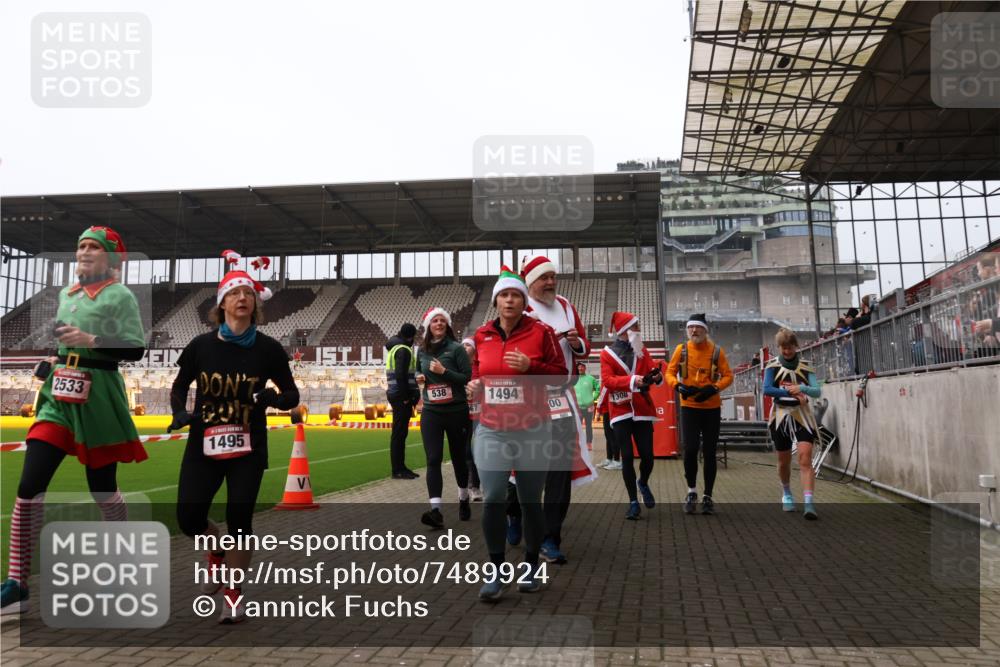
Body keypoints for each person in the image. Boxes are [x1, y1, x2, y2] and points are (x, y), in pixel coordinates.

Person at [1, 226, 146, 615]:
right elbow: (67, 345)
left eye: (93, 247)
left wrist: (92, 341)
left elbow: (135, 350)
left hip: (98, 397)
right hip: (58, 399)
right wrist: (53, 361)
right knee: (29, 485)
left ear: (112, 259)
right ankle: (17, 583)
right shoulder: (66, 295)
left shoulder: (120, 296)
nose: (83, 252)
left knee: (102, 487)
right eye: (80, 245)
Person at [169, 263, 300, 624]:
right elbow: (180, 386)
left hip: (248, 446)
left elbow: (291, 394)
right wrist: (180, 411)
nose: (242, 298)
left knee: (239, 519)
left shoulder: (269, 349)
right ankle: (216, 552)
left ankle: (233, 594)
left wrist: (273, 399)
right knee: (189, 518)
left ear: (255, 305)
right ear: (222, 304)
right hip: (204, 443)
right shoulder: (200, 346)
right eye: (234, 293)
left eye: (248, 294)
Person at [470, 266, 567, 600]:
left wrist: (532, 367)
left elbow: (561, 376)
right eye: (504, 295)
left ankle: (529, 567)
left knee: (530, 502)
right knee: (494, 496)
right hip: (492, 428)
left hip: (533, 429)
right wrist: (475, 384)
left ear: (523, 301)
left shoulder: (542, 332)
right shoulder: (482, 334)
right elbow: (479, 371)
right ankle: (496, 570)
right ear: (496, 300)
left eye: (515, 295)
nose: (509, 300)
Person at [520, 254, 595, 564]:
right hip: (528, 399)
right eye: (543, 277)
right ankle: (515, 517)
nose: (550, 282)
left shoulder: (565, 305)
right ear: (530, 282)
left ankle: (550, 537)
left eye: (553, 276)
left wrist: (576, 344)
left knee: (559, 469)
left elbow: (586, 348)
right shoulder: (520, 308)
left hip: (560, 397)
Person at [665, 313, 733, 516]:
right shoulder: (681, 349)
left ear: (705, 330)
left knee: (710, 452)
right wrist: (677, 385)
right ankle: (692, 491)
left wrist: (714, 389)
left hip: (711, 408)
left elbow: (728, 375)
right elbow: (669, 372)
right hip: (689, 407)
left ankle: (708, 496)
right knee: (691, 448)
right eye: (690, 328)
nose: (694, 331)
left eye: (698, 328)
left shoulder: (716, 351)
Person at [600, 311, 663, 520]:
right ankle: (633, 501)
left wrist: (657, 376)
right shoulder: (606, 353)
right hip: (620, 410)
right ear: (625, 330)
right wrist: (632, 380)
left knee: (647, 456)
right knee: (626, 456)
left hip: (642, 408)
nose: (639, 330)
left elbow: (652, 370)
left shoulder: (641, 350)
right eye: (636, 327)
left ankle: (643, 482)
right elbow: (608, 381)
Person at [416, 307, 472, 528]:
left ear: (447, 325)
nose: (438, 324)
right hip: (431, 411)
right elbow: (415, 372)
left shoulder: (457, 349)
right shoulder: (421, 351)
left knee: (459, 458)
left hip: (456, 411)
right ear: (428, 326)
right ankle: (436, 511)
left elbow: (465, 377)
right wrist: (419, 377)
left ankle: (464, 497)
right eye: (434, 321)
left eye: (442, 321)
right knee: (432, 459)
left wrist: (444, 372)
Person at [762, 328, 822, 520]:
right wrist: (790, 393)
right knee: (784, 460)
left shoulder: (806, 366)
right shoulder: (771, 366)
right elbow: (767, 389)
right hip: (780, 416)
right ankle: (787, 492)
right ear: (779, 347)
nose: (786, 351)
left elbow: (816, 391)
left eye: (789, 347)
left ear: (795, 346)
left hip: (802, 415)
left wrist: (801, 388)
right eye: (783, 348)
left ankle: (809, 502)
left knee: (805, 458)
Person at [385, 323, 421, 479]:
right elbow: (401, 375)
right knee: (399, 434)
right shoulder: (404, 350)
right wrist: (407, 398)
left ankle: (400, 467)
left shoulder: (394, 348)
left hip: (396, 395)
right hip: (401, 398)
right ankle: (398, 469)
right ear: (411, 336)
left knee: (399, 433)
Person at [461, 337, 483, 501]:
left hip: (482, 414)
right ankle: (472, 487)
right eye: (462, 345)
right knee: (466, 452)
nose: (464, 347)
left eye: (468, 344)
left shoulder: (481, 365)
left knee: (481, 451)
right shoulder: (456, 366)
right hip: (463, 414)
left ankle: (481, 484)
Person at [574, 362, 600, 451]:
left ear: (585, 368)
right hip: (577, 407)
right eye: (579, 367)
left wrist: (593, 398)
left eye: (582, 367)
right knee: (578, 426)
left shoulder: (591, 378)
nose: (580, 369)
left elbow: (598, 389)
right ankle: (578, 443)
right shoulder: (574, 379)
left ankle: (589, 443)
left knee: (589, 426)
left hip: (589, 407)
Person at [596, 391, 621, 470]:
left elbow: (603, 394)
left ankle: (617, 461)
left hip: (609, 410)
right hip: (608, 410)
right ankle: (609, 459)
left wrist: (598, 409)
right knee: (608, 436)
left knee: (612, 436)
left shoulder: (607, 379)